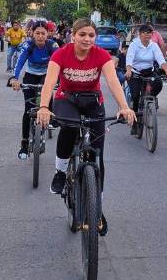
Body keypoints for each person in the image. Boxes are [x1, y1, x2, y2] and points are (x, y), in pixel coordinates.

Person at [36, 19, 136, 236]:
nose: (87, 39)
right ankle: (61, 172)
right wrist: (44, 106)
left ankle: (96, 209)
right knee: (69, 129)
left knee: (97, 153)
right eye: (82, 34)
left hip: (93, 101)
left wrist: (124, 107)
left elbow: (112, 81)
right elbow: (49, 82)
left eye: (91, 35)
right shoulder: (61, 54)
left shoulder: (101, 55)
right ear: (73, 36)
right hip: (66, 99)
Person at [11, 21, 59, 159]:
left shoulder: (52, 45)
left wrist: (62, 81)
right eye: (37, 33)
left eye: (43, 33)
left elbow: (60, 62)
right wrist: (14, 78)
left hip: (46, 75)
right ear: (32, 33)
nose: (40, 36)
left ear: (47, 34)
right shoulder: (28, 45)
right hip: (30, 76)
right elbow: (20, 61)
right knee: (28, 109)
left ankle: (51, 114)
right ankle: (24, 144)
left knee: (48, 94)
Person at [125, 23, 167, 135]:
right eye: (145, 33)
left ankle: (150, 98)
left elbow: (160, 59)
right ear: (140, 34)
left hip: (149, 71)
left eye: (150, 33)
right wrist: (128, 71)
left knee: (158, 83)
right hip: (135, 72)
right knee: (135, 96)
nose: (147, 35)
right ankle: (134, 123)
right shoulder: (134, 44)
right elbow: (129, 58)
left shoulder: (153, 45)